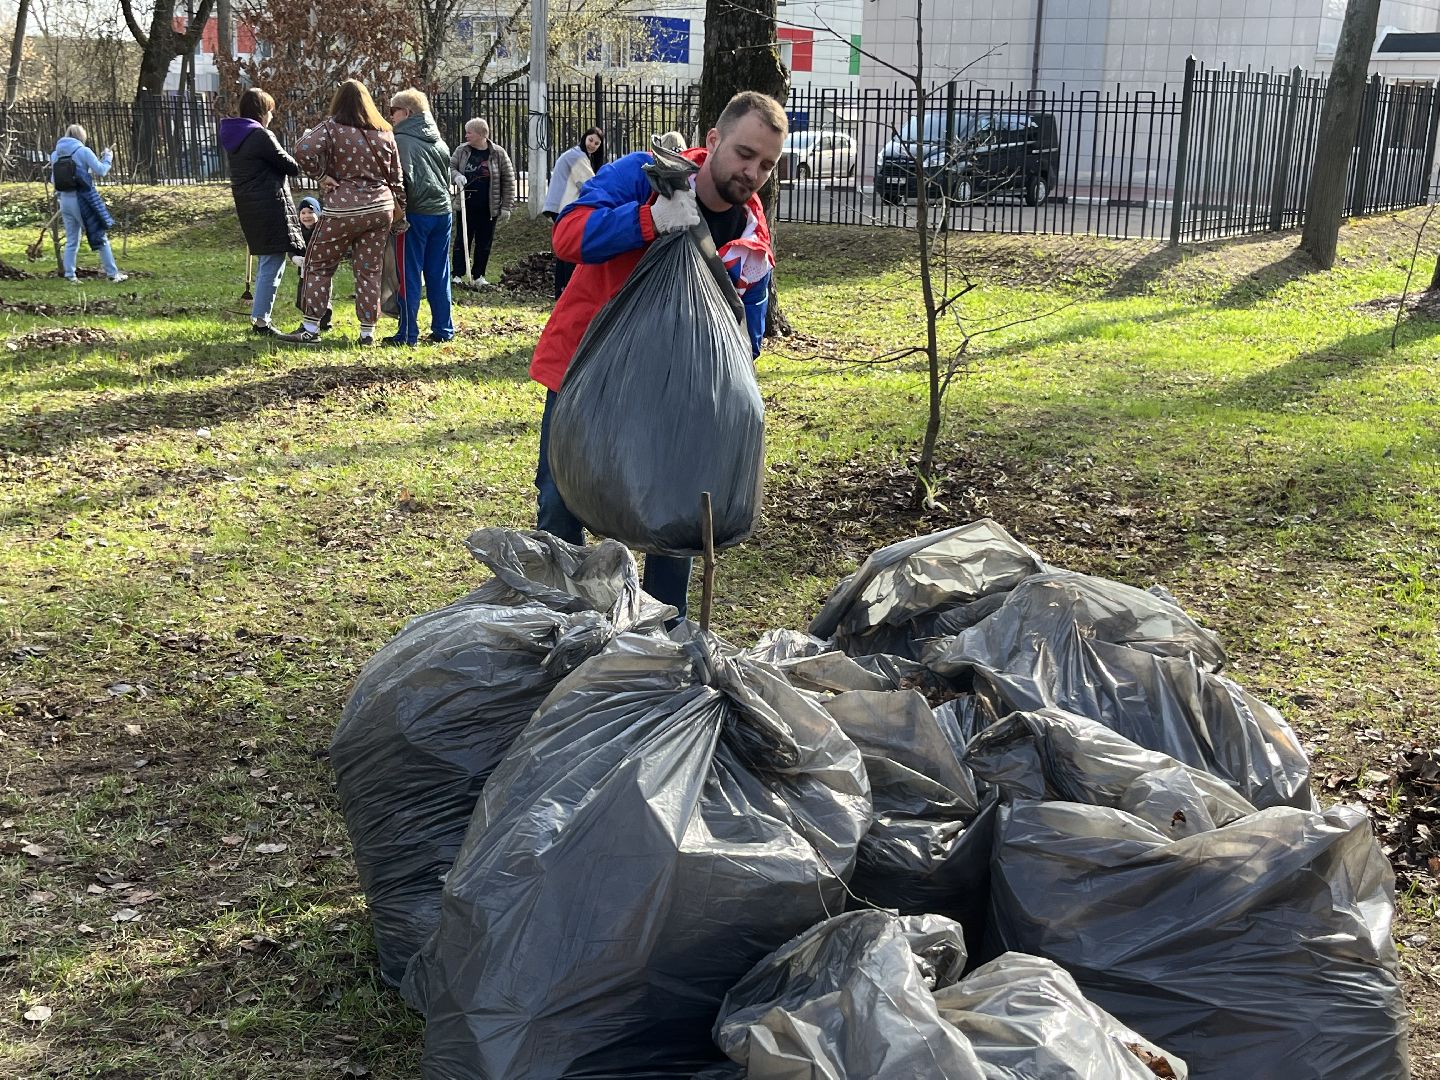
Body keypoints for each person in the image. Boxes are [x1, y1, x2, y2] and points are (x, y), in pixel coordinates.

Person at [530, 91, 787, 620]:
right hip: (588, 371)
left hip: (679, 392)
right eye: (744, 153)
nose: (752, 172)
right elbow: (568, 234)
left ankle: (659, 637)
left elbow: (748, 316)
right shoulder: (642, 174)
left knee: (679, 514)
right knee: (562, 497)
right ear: (712, 140)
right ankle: (566, 618)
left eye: (766, 164)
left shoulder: (748, 231)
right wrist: (647, 220)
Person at [280, 78, 404, 346]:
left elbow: (302, 148)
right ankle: (367, 333)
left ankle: (311, 328)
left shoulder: (331, 128)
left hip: (343, 210)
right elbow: (397, 177)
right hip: (379, 210)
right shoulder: (384, 131)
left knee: (319, 265)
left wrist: (320, 175)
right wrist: (400, 211)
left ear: (339, 102)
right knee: (370, 270)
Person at [218, 87, 305, 335]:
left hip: (251, 206)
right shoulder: (260, 135)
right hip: (268, 204)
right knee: (271, 262)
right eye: (270, 111)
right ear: (262, 111)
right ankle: (261, 322)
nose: (272, 116)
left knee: (270, 260)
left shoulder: (236, 136)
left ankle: (261, 318)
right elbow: (291, 166)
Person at [385, 88, 455, 346]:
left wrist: (396, 214)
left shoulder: (401, 141)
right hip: (442, 212)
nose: (390, 116)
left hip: (415, 214)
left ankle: (407, 333)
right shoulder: (438, 140)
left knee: (409, 273)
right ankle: (443, 329)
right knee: (439, 272)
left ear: (408, 113)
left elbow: (400, 182)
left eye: (393, 111)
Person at [48, 124, 127, 283]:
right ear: (81, 137)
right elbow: (101, 171)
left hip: (64, 200)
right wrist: (108, 158)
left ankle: (70, 275)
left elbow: (53, 179)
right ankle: (112, 274)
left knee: (72, 240)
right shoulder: (84, 151)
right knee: (100, 236)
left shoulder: (55, 155)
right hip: (81, 200)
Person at [449, 118, 515, 286]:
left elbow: (508, 180)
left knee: (484, 242)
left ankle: (479, 275)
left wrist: (506, 206)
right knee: (462, 240)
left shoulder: (498, 153)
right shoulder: (462, 151)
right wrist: (456, 176)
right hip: (466, 205)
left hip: (488, 207)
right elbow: (450, 167)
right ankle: (457, 274)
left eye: (469, 132)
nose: (466, 135)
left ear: (480, 134)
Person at [542, 127, 605, 298]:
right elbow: (590, 184)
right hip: (565, 207)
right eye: (591, 140)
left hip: (558, 206)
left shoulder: (574, 154)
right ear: (585, 137)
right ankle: (568, 289)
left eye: (597, 143)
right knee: (570, 249)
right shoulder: (577, 157)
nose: (593, 145)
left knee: (563, 250)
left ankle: (561, 290)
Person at [293, 196, 332, 331]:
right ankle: (308, 320)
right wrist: (294, 258)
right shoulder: (297, 232)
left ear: (318, 213)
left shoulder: (322, 231)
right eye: (303, 213)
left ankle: (324, 322)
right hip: (304, 271)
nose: (307, 216)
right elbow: (292, 248)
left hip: (321, 271)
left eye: (310, 212)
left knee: (321, 297)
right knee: (302, 298)